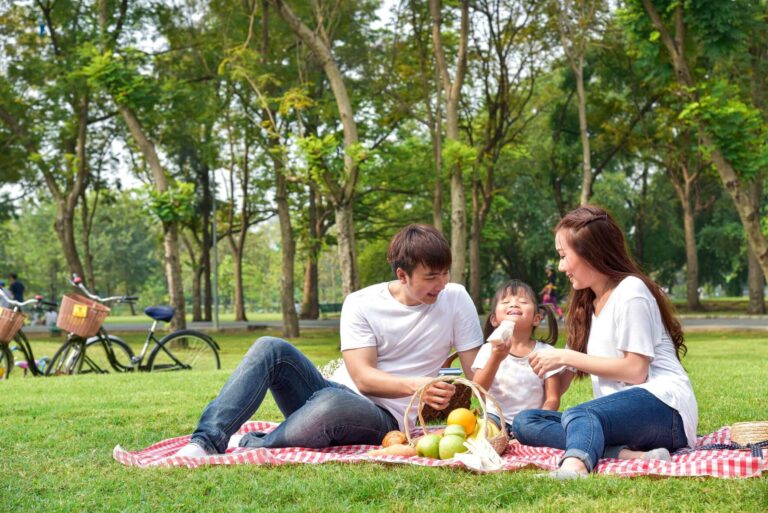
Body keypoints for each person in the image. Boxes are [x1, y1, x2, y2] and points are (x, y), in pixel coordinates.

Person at [175, 224, 484, 457]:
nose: (441, 284)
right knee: (270, 347)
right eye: (431, 277)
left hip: (386, 417)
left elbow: (476, 375)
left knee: (332, 403)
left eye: (445, 273)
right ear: (403, 275)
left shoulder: (456, 298)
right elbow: (363, 379)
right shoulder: (361, 302)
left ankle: (252, 443)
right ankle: (205, 441)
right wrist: (418, 385)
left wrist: (494, 356)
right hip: (332, 393)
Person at [512, 206, 698, 479]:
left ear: (591, 252)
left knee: (581, 415)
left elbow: (636, 370)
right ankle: (629, 455)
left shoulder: (631, 291)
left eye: (563, 256)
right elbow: (560, 385)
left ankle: (574, 467)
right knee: (525, 422)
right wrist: (518, 363)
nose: (561, 267)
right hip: (617, 418)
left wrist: (565, 356)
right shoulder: (586, 305)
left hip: (666, 409)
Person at [471, 279, 563, 435]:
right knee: (481, 432)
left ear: (537, 318)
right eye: (506, 302)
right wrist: (495, 358)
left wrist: (540, 418)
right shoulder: (488, 350)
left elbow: (552, 398)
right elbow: (477, 391)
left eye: (523, 301)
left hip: (531, 421)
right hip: (495, 419)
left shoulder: (546, 353)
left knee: (543, 430)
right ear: (494, 320)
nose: (514, 304)